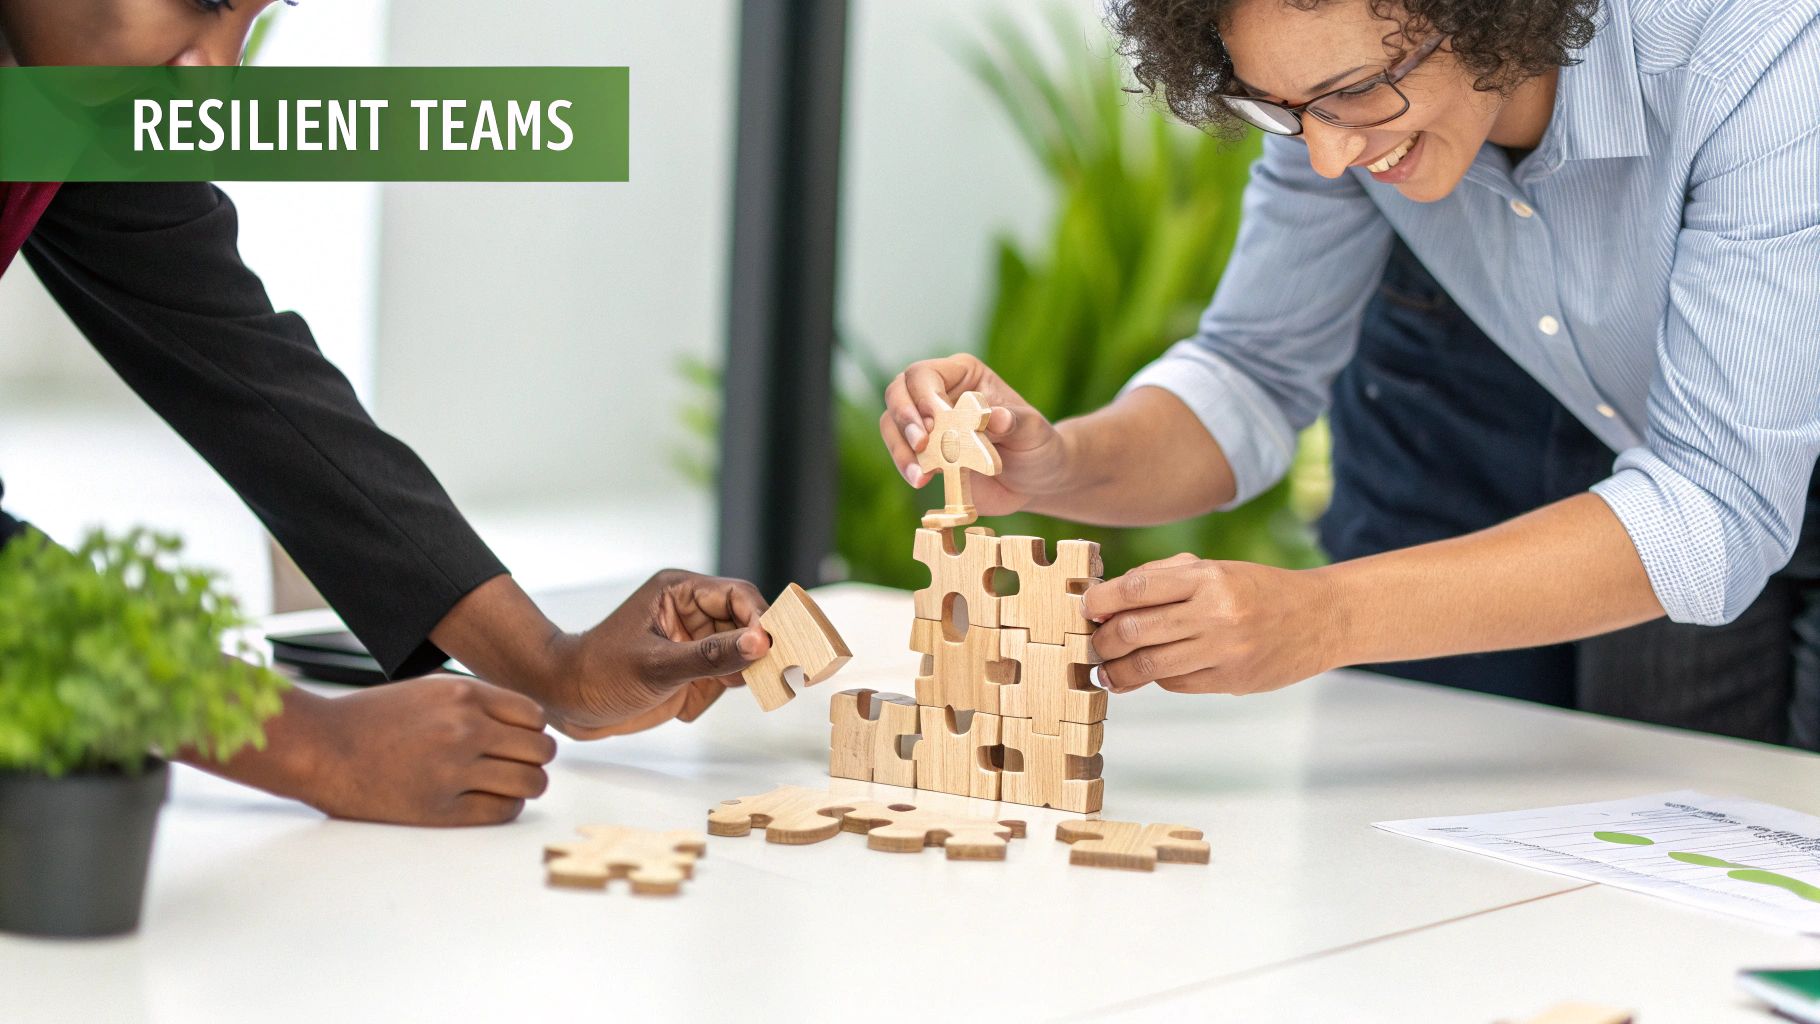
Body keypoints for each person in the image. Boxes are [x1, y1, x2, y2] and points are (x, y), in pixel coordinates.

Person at [879, 0, 1820, 741]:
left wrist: (1324, 617)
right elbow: (1252, 372)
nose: (1330, 156)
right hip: (1668, 475)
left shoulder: (1758, 50)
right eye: (1284, 110)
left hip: (1725, 476)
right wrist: (1057, 464)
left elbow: (1718, 503)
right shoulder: (1327, 108)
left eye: (1357, 92)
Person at [0, 0, 773, 825]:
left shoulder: (71, 98)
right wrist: (309, 746)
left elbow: (252, 377)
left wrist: (551, 666)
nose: (214, 73)